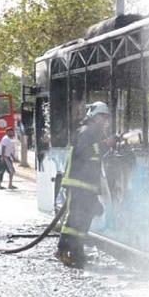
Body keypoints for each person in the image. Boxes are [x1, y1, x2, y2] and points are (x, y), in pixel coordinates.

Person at [55, 102, 113, 268]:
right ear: (94, 117)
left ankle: (73, 251)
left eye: (106, 117)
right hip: (79, 183)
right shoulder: (86, 132)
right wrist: (105, 144)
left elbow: (93, 155)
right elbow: (84, 152)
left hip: (86, 184)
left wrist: (107, 145)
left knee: (83, 218)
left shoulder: (92, 133)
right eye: (102, 117)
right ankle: (67, 250)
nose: (105, 121)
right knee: (76, 219)